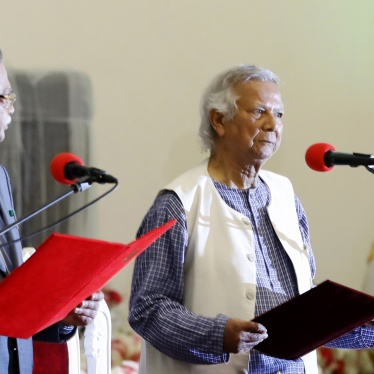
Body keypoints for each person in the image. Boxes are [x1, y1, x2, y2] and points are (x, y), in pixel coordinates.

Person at [128, 64, 374, 374]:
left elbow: (305, 311)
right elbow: (147, 308)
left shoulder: (286, 197)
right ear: (219, 120)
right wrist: (218, 335)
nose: (274, 125)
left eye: (280, 114)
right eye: (260, 112)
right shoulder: (178, 203)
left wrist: (367, 324)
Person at [0, 49, 104, 374]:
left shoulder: (0, 177)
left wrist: (58, 314)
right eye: (4, 97)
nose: (12, 109)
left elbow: (11, 302)